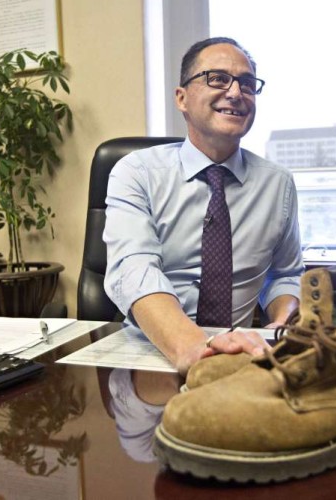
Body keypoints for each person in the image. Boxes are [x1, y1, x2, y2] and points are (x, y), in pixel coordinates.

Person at [103, 37, 303, 375]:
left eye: (248, 84)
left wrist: (280, 326)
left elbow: (284, 274)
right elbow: (134, 271)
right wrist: (193, 347)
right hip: (151, 355)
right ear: (181, 98)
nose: (236, 93)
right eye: (218, 79)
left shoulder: (278, 183)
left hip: (242, 356)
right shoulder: (136, 172)